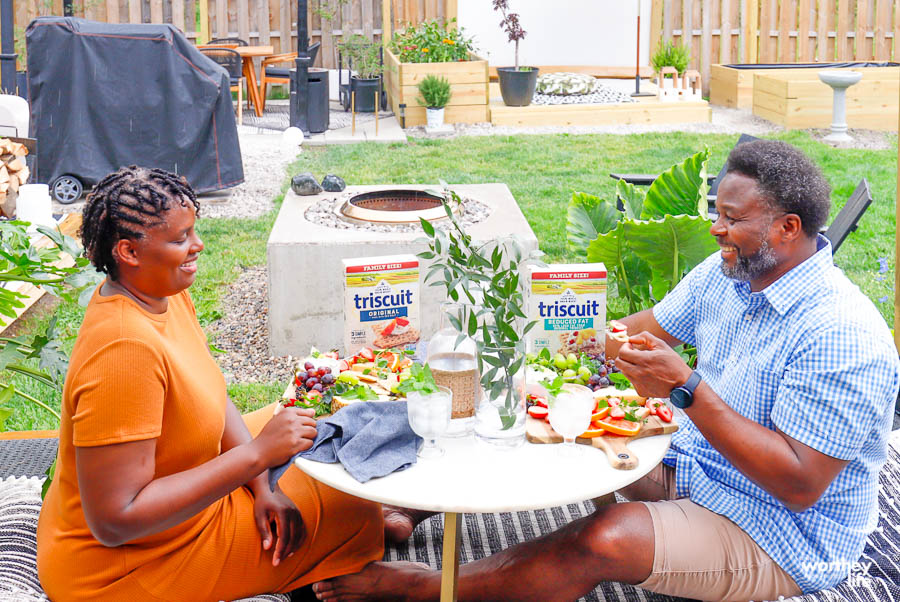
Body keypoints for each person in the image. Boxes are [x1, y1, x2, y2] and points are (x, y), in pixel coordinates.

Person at [311, 140, 900, 602]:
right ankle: (413, 507)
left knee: (603, 538)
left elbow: (799, 485)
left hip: (778, 530)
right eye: (715, 213)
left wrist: (687, 390)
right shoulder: (731, 273)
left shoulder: (842, 336)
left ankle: (425, 588)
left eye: (731, 219)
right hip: (689, 468)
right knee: (543, 409)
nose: (716, 229)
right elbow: (629, 332)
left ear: (787, 228)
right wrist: (553, 330)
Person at [36, 166, 384, 601]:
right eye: (180, 239)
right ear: (128, 251)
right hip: (126, 567)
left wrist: (263, 483)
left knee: (330, 427)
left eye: (193, 231)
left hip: (184, 498)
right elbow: (115, 521)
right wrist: (257, 456)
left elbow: (211, 396)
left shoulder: (161, 291)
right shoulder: (123, 351)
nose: (197, 245)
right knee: (350, 502)